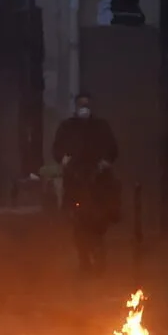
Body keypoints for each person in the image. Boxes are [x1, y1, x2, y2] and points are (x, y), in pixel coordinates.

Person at [52, 93, 120, 276]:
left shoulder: (101, 127)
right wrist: (64, 160)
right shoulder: (67, 127)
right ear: (75, 106)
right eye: (80, 104)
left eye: (86, 104)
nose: (84, 108)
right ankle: (84, 260)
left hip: (98, 184)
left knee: (98, 222)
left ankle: (98, 257)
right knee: (79, 223)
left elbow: (112, 149)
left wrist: (105, 162)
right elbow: (57, 150)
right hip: (75, 184)